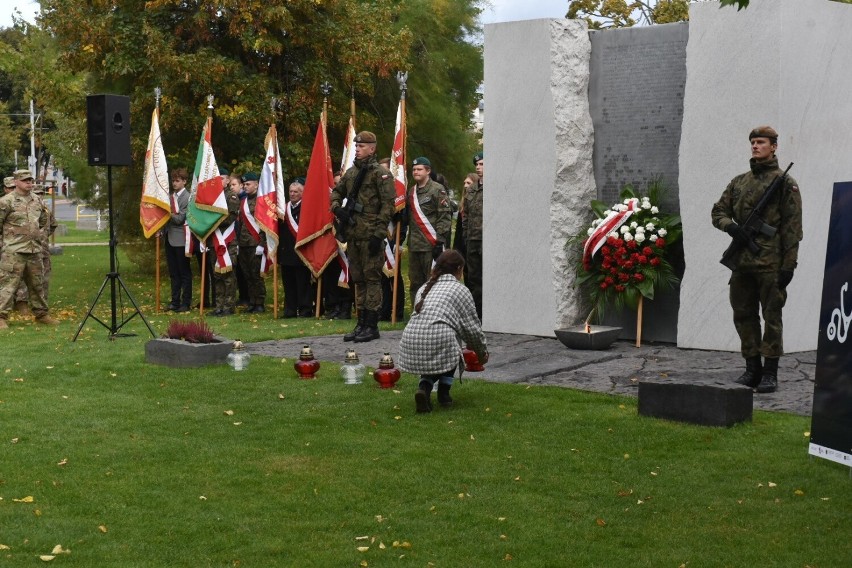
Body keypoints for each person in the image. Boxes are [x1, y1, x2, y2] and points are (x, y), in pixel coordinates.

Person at [711, 126, 803, 394]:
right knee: (743, 315)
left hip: (771, 263)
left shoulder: (785, 183)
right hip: (742, 263)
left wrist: (789, 264)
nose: (755, 146)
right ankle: (752, 369)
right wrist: (731, 227)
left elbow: (792, 228)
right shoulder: (739, 182)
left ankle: (770, 373)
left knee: (772, 317)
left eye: (761, 142)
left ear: (774, 146)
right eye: (752, 142)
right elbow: (718, 211)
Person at [398, 250, 488, 413]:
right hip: (438, 339)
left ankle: (424, 389)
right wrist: (482, 354)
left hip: (410, 340)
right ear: (459, 269)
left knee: (440, 346)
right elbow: (472, 329)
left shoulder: (425, 288)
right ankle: (444, 394)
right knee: (452, 346)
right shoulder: (460, 290)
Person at [330, 131, 396, 342]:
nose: (357, 149)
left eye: (361, 146)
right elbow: (336, 192)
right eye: (356, 146)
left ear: (372, 148)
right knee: (358, 279)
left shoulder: (380, 174)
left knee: (372, 278)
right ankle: (361, 323)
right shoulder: (350, 173)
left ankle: (371, 324)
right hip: (353, 233)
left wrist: (378, 233)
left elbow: (388, 205)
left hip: (370, 235)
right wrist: (336, 208)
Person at [0, 169, 60, 329]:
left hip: (34, 251)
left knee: (37, 284)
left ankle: (41, 314)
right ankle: (1, 317)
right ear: (16, 182)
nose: (29, 183)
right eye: (25, 180)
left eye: (30, 180)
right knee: (8, 284)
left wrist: (34, 235)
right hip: (13, 251)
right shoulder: (6, 201)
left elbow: (44, 221)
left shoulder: (37, 200)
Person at [406, 156, 452, 312]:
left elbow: (444, 216)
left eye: (419, 169)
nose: (416, 172)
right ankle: (416, 312)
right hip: (414, 245)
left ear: (428, 171)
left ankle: (433, 312)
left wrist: (439, 242)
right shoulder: (411, 192)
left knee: (432, 281)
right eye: (414, 170)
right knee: (415, 282)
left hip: (430, 244)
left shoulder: (437, 189)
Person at [278, 177, 314, 317]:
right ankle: (290, 310)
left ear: (302, 193)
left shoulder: (306, 208)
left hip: (301, 253)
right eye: (290, 191)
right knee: (289, 284)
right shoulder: (283, 209)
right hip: (286, 251)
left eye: (296, 192)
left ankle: (305, 309)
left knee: (303, 283)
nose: (292, 194)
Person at [209, 173, 241, 316]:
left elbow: (229, 218)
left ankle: (229, 306)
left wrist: (211, 220)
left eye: (222, 178)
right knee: (216, 275)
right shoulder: (213, 196)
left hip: (227, 241)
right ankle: (219, 306)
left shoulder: (231, 196)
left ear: (228, 180)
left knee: (228, 275)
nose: (219, 181)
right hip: (214, 240)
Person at [237, 172, 266, 313]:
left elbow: (265, 224)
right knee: (247, 274)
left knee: (256, 275)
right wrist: (238, 242)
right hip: (243, 243)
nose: (245, 187)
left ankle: (260, 302)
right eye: (244, 184)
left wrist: (262, 243)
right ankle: (252, 301)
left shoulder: (261, 201)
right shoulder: (242, 201)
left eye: (248, 184)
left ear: (256, 184)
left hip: (256, 243)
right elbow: (241, 223)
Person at [164, 167, 192, 312]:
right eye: (173, 181)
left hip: (181, 239)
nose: (174, 183)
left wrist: (166, 213)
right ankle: (174, 301)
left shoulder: (187, 197)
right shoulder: (170, 196)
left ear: (184, 182)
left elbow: (181, 218)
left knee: (184, 272)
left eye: (177, 181)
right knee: (173, 273)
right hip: (169, 238)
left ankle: (185, 302)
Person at [463, 153, 484, 319]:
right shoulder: (471, 190)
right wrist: (465, 235)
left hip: (487, 240)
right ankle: (476, 314)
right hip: (472, 239)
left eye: (482, 164)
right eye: (477, 164)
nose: (478, 167)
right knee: (473, 278)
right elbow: (466, 216)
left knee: (487, 279)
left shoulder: (495, 188)